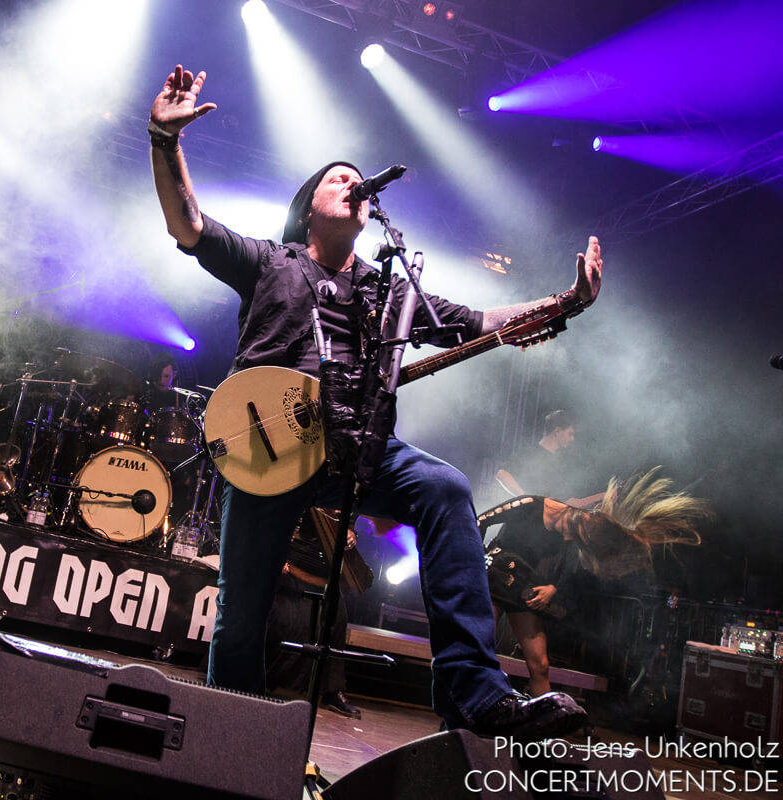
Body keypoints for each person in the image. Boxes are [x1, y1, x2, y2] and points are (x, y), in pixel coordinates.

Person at [149, 64, 603, 740]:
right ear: (309, 206)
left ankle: (475, 695)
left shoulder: (390, 290)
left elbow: (478, 321)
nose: (352, 184)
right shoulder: (271, 262)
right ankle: (230, 738)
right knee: (242, 611)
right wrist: (165, 139)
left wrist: (566, 302)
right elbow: (188, 225)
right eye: (338, 177)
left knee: (445, 488)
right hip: (271, 445)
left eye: (357, 180)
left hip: (362, 446)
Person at [478, 468, 708, 696]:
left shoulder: (579, 528)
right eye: (567, 533)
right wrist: (473, 562)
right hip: (492, 580)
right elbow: (479, 521)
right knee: (481, 647)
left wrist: (552, 588)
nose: (566, 538)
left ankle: (542, 717)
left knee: (540, 666)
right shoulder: (530, 505)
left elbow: (574, 571)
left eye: (571, 538)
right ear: (570, 520)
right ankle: (469, 709)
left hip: (520, 591)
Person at [266, 513, 363, 719]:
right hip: (291, 567)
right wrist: (276, 553)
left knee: (337, 619)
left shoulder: (348, 496)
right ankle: (270, 682)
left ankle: (332, 692)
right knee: (288, 617)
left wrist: (351, 534)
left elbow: (350, 521)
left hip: (324, 574)